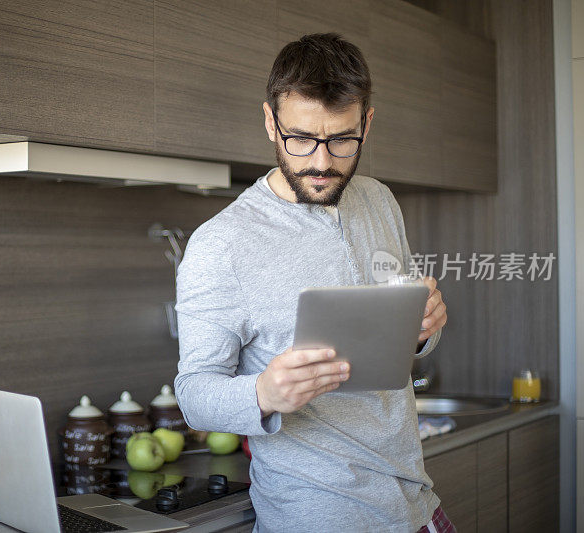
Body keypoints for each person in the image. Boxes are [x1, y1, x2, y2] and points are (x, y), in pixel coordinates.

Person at [173, 33, 452, 532]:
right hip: (319, 515)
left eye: (342, 140)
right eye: (299, 139)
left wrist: (423, 329)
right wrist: (262, 393)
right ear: (269, 121)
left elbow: (400, 342)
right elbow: (194, 394)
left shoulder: (379, 201)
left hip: (415, 501)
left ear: (366, 122)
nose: (321, 162)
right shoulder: (221, 243)